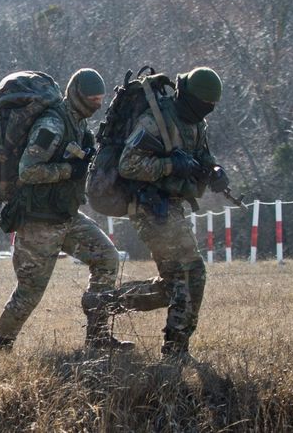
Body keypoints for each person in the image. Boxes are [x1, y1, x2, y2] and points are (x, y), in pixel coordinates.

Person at [0, 68, 131, 352]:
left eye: (100, 99)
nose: (97, 104)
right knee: (29, 292)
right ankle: (1, 346)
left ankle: (98, 336)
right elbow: (27, 171)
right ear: (78, 95)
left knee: (106, 259)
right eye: (92, 98)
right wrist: (69, 170)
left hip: (65, 216)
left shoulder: (79, 125)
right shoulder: (52, 125)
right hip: (39, 221)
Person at [92, 67, 226, 361]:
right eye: (205, 106)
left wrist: (215, 171)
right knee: (188, 275)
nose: (207, 112)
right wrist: (170, 166)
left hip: (171, 207)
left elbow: (203, 156)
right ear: (190, 98)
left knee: (173, 286)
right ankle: (176, 351)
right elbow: (129, 165)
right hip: (149, 207)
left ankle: (103, 303)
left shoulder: (195, 124)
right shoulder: (154, 121)